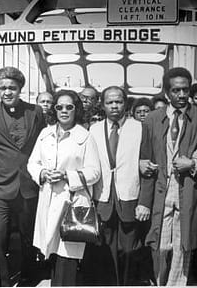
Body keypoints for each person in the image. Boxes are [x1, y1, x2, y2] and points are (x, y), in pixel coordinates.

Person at [0, 66, 46, 286]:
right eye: (2, 88)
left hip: (28, 187)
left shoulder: (35, 112)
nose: (7, 92)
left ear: (20, 89)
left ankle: (28, 276)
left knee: (28, 240)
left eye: (12, 88)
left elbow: (44, 147)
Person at [28, 90, 101, 286]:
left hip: (72, 201)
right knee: (51, 252)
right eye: (59, 107)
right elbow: (32, 163)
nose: (64, 111)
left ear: (76, 110)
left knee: (67, 255)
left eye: (69, 107)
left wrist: (67, 176)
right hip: (48, 199)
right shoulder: (45, 133)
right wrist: (43, 173)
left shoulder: (85, 137)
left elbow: (94, 172)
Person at [139, 67, 197, 286]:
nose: (181, 95)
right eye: (176, 90)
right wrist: (144, 201)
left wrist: (192, 163)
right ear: (166, 92)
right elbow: (144, 159)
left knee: (184, 246)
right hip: (160, 192)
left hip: (189, 191)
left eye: (185, 90)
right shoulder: (152, 119)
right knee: (160, 245)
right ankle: (160, 282)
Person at [87, 86, 147, 285]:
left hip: (129, 196)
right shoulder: (93, 130)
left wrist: (145, 201)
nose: (114, 106)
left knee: (130, 250)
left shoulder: (139, 128)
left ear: (125, 103)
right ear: (103, 105)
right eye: (110, 102)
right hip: (103, 198)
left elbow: (148, 168)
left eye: (119, 101)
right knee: (104, 249)